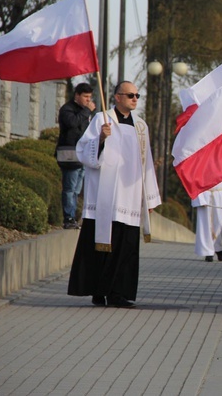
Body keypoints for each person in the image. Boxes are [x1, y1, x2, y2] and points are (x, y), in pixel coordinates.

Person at [67, 81, 161, 308]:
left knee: (124, 249)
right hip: (105, 196)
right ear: (117, 97)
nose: (135, 99)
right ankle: (98, 291)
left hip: (129, 195)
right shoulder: (102, 119)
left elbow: (146, 161)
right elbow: (83, 151)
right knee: (99, 245)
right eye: (130, 95)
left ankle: (118, 293)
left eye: (137, 95)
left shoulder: (140, 126)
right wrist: (99, 139)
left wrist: (148, 197)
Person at [56, 82, 95, 229]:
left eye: (90, 97)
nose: (88, 100)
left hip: (83, 155)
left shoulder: (84, 111)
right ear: (77, 95)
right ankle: (68, 218)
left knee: (77, 190)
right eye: (85, 96)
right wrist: (86, 112)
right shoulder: (67, 109)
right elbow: (73, 123)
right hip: (70, 154)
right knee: (69, 188)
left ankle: (73, 217)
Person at [192, 176, 222, 262]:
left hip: (220, 196)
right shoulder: (202, 167)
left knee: (219, 224)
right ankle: (208, 251)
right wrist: (200, 199)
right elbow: (195, 182)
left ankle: (217, 248)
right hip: (206, 196)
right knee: (206, 225)